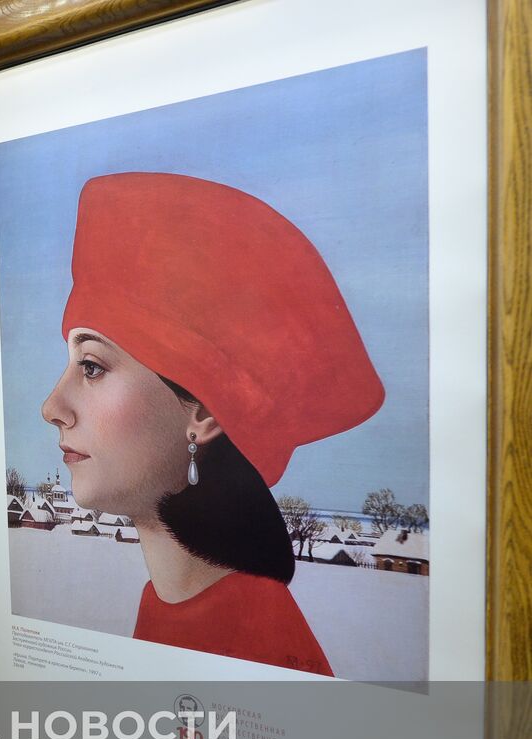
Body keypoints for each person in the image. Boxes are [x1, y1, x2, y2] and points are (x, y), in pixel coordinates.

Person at [40, 172, 386, 677]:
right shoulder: (167, 604)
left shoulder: (258, 641)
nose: (52, 406)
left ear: (203, 414)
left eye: (91, 366)